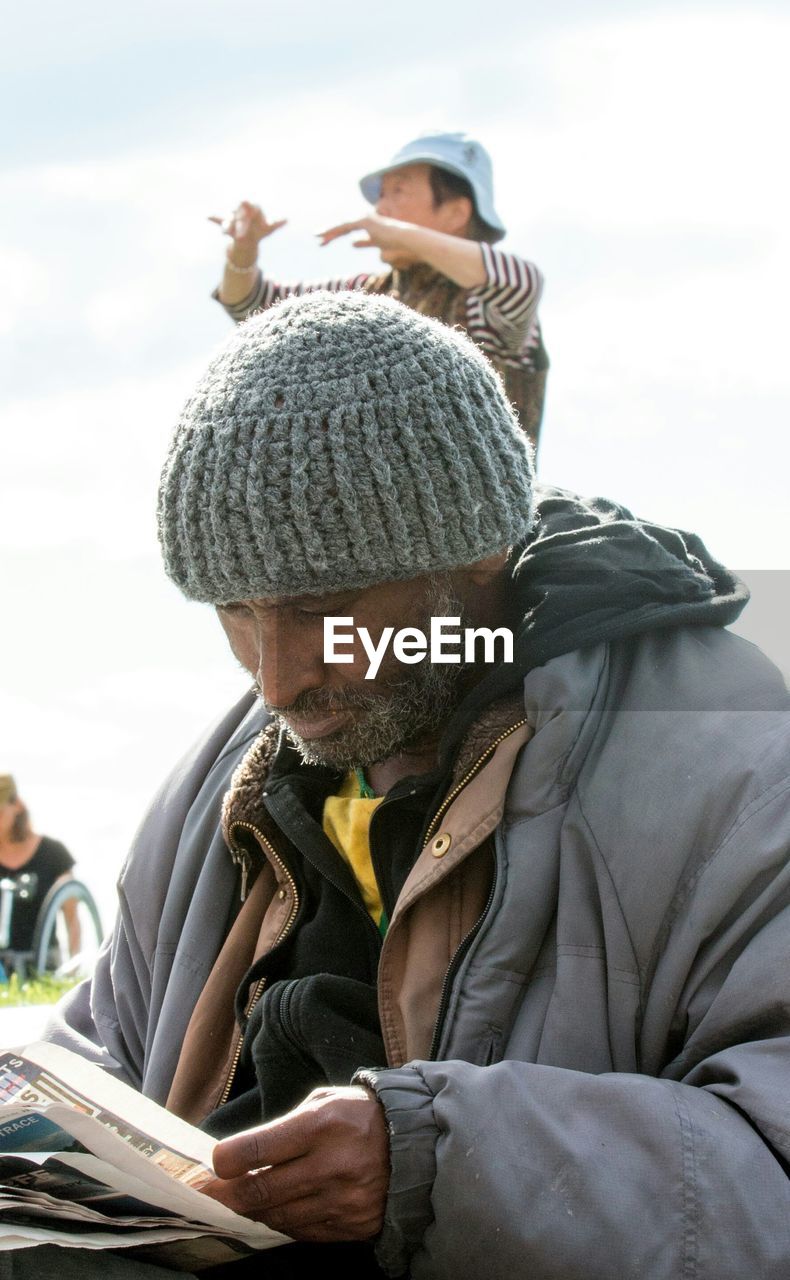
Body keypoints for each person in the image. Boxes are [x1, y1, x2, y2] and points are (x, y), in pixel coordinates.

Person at [44, 291, 790, 1280]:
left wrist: (443, 1163)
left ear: (475, 551)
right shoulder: (218, 778)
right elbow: (92, 1058)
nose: (277, 679)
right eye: (234, 609)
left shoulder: (732, 756)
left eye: (324, 607)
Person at [210, 131, 549, 448]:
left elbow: (521, 282)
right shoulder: (366, 294)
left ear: (456, 212)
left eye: (398, 192)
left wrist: (397, 232)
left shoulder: (483, 304)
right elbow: (254, 308)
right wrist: (242, 252)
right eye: (381, 196)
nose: (380, 210)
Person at [0, 774, 79, 965]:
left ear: (16, 806)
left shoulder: (53, 854)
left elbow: (72, 919)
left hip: (44, 964)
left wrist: (74, 967)